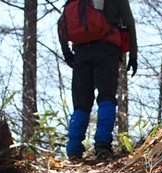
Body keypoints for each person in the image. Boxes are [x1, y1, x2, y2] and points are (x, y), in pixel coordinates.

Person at [59, 0, 138, 161]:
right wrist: (133, 55)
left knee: (81, 104)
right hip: (107, 49)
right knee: (106, 97)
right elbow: (129, 22)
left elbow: (62, 23)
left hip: (81, 52)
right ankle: (102, 146)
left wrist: (67, 54)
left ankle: (74, 149)